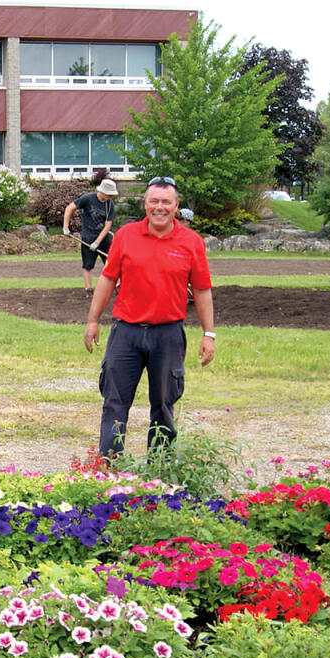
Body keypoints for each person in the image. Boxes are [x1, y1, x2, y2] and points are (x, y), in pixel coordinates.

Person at [83, 176, 215, 458]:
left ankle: (160, 470)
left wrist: (209, 333)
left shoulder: (192, 243)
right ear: (145, 204)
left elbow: (202, 291)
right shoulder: (126, 236)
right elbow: (107, 280)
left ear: (176, 206)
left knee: (164, 403)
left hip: (167, 335)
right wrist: (93, 320)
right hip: (126, 333)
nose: (159, 207)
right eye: (153, 201)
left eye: (166, 202)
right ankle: (109, 465)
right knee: (114, 401)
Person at [62, 178, 117, 291]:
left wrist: (97, 242)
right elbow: (69, 209)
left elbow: (108, 225)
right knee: (87, 265)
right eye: (109, 194)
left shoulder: (110, 204)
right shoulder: (88, 198)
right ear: (103, 192)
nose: (110, 197)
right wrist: (66, 227)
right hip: (87, 238)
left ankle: (115, 287)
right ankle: (88, 289)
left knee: (111, 262)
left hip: (104, 239)